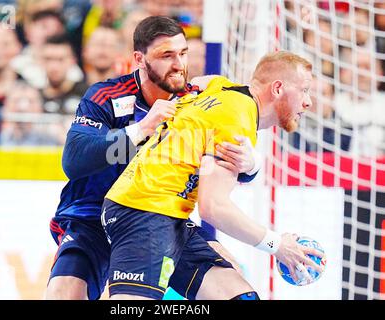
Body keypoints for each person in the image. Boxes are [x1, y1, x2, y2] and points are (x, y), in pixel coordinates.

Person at [46, 16, 261, 300]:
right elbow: (74, 161)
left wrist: (250, 165)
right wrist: (140, 129)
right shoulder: (107, 96)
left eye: (183, 53)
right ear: (139, 58)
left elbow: (223, 158)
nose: (179, 64)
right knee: (63, 294)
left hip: (158, 217)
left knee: (237, 286)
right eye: (166, 55)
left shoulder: (196, 101)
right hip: (92, 220)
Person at [102, 50, 325, 300]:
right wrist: (277, 245)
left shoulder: (222, 88)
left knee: (239, 295)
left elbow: (201, 83)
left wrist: (252, 166)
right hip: (142, 212)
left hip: (168, 215)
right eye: (304, 90)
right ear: (277, 88)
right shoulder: (237, 119)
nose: (309, 102)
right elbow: (213, 208)